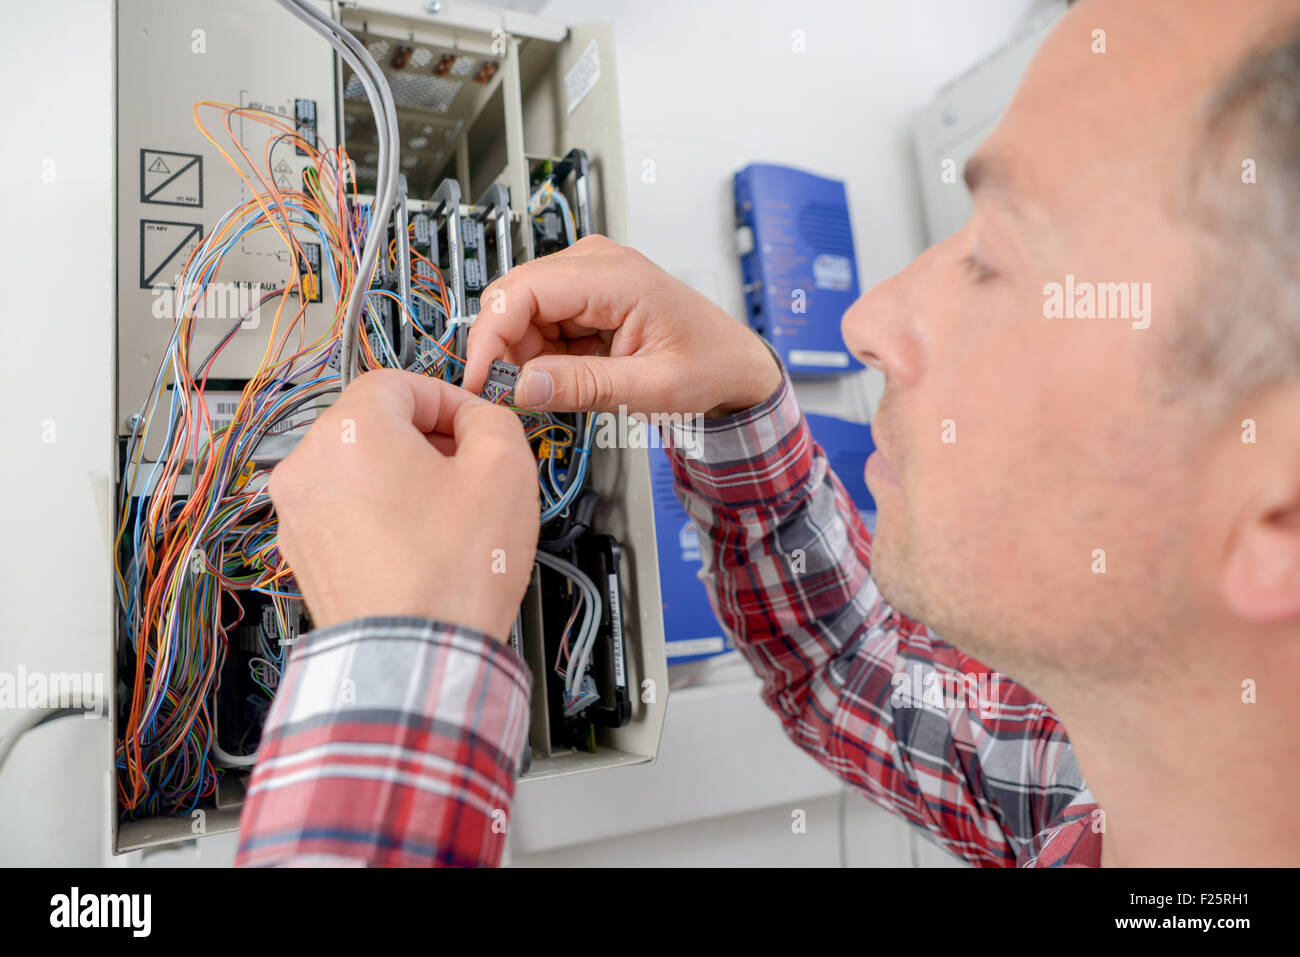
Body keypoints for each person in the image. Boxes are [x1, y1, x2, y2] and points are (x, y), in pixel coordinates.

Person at [235, 0, 1300, 867]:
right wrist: (739, 401)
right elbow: (854, 664)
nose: (864, 320)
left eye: (997, 256)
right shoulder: (1080, 796)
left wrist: (391, 669)